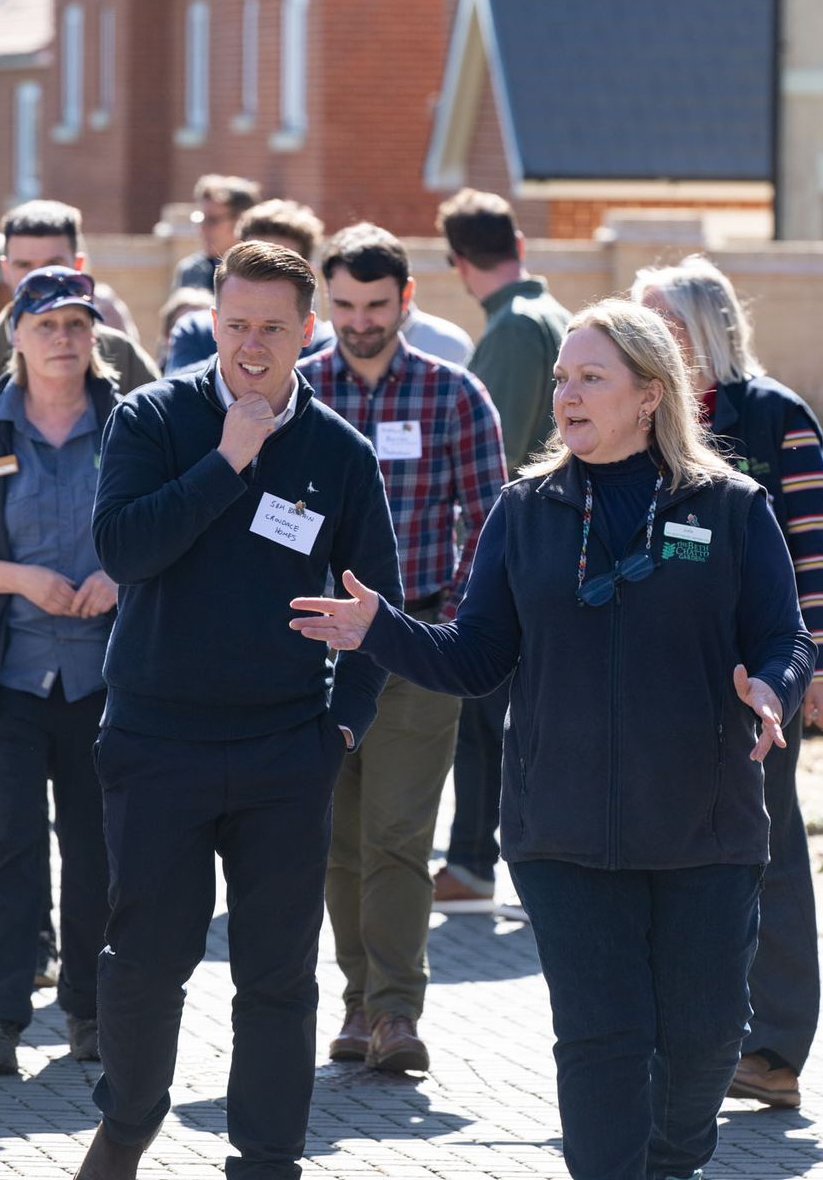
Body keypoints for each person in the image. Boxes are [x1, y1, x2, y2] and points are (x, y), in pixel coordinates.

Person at [289, 299, 812, 1180]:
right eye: (563, 378)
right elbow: (476, 657)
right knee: (603, 1041)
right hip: (564, 834)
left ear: (650, 395)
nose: (565, 394)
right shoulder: (525, 511)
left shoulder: (730, 507)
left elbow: (785, 637)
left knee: (703, 1041)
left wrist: (773, 687)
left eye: (590, 378)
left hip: (706, 831)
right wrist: (379, 627)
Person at [76, 241, 401, 1180]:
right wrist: (227, 462)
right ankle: (129, 1121)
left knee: (276, 974)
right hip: (157, 743)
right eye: (234, 326)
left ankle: (268, 1155)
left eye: (271, 329)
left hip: (282, 750)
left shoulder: (339, 452)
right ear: (211, 322)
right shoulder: (152, 418)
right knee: (145, 959)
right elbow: (126, 551)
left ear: (310, 331)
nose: (250, 348)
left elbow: (376, 601)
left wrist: (346, 724)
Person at [631, 254, 823, 1110]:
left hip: (758, 681)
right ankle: (677, 1040)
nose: (643, 337)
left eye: (659, 323)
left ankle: (776, 1049)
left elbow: (813, 550)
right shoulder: (637, 418)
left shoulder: (776, 417)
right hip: (657, 681)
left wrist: (819, 665)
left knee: (769, 855)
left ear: (703, 330)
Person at [297, 223, 506, 1073]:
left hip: (416, 645)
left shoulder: (455, 396)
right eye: (342, 305)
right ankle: (354, 1002)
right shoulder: (298, 393)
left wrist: (450, 620)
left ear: (407, 301)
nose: (358, 321)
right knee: (336, 840)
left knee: (397, 835)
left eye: (375, 305)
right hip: (313, 649)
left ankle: (396, 1012)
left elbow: (490, 521)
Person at [0, 267, 119, 1075]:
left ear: (97, 337)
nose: (63, 340)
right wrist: (19, 578)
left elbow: (171, 532)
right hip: (5, 677)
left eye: (78, 325)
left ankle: (89, 1010)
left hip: (104, 680)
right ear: (13, 333)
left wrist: (122, 577)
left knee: (98, 850)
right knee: (8, 844)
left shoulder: (132, 426)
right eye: (46, 325)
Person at [431, 187, 568, 910]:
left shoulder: (514, 329)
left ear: (458, 262)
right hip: (547, 548)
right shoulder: (547, 314)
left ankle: (474, 862)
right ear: (516, 243)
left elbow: (497, 461)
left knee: (483, 718)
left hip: (516, 555)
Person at [0, 200, 158, 430]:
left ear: (78, 266)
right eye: (24, 266)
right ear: (6, 271)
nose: (39, 278)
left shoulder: (122, 356)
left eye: (53, 264)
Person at [164, 198, 336, 374]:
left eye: (281, 268)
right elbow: (175, 391)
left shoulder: (325, 342)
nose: (264, 277)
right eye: (254, 262)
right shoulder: (196, 330)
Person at [173, 174, 260, 292]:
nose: (202, 229)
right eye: (201, 219)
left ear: (241, 222)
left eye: (212, 220)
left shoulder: (263, 272)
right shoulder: (192, 271)